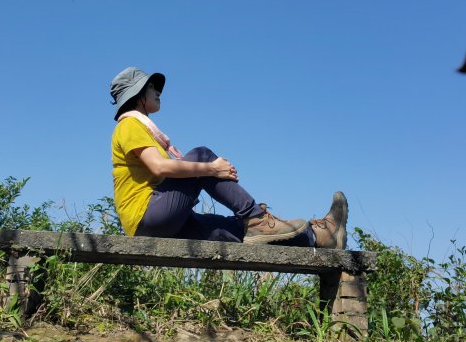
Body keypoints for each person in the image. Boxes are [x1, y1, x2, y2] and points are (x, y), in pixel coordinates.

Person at [109, 66, 348, 246]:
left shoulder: (140, 129)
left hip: (154, 224)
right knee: (202, 155)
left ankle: (319, 237)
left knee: (235, 230)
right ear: (137, 94)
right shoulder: (129, 124)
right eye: (152, 87)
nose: (158, 92)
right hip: (147, 216)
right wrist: (212, 169)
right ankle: (256, 216)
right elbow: (159, 167)